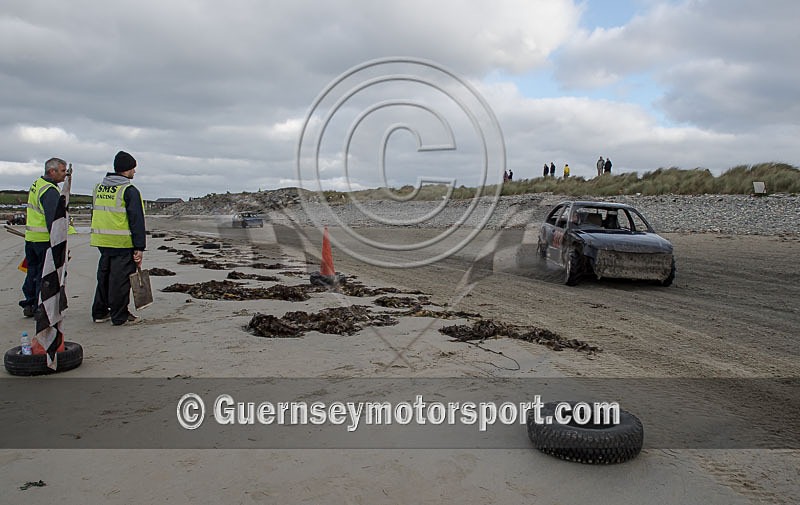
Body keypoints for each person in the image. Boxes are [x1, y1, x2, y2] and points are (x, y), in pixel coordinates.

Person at [90, 151, 146, 326]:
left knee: (104, 278)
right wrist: (139, 247)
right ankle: (119, 315)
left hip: (102, 241)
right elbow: (136, 220)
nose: (134, 172)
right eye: (133, 168)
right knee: (120, 282)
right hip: (122, 243)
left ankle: (100, 312)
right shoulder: (129, 191)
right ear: (126, 169)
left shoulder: (98, 188)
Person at [19, 158, 69, 317]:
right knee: (44, 274)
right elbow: (53, 220)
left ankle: (30, 303)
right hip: (43, 240)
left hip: (32, 238)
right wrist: (58, 243)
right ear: (51, 171)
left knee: (32, 272)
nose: (65, 174)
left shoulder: (37, 184)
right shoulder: (49, 191)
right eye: (63, 170)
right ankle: (40, 306)